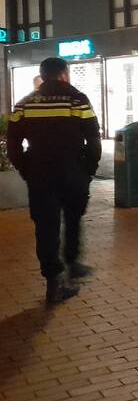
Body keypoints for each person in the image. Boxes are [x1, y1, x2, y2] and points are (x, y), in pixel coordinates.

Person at [6, 57, 101, 305]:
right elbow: (93, 139)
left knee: (46, 226)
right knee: (73, 217)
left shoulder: (25, 103)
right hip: (72, 171)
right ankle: (72, 261)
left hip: (39, 173)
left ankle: (54, 281)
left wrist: (25, 169)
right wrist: (87, 171)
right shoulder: (77, 99)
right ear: (63, 74)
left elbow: (13, 143)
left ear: (42, 75)